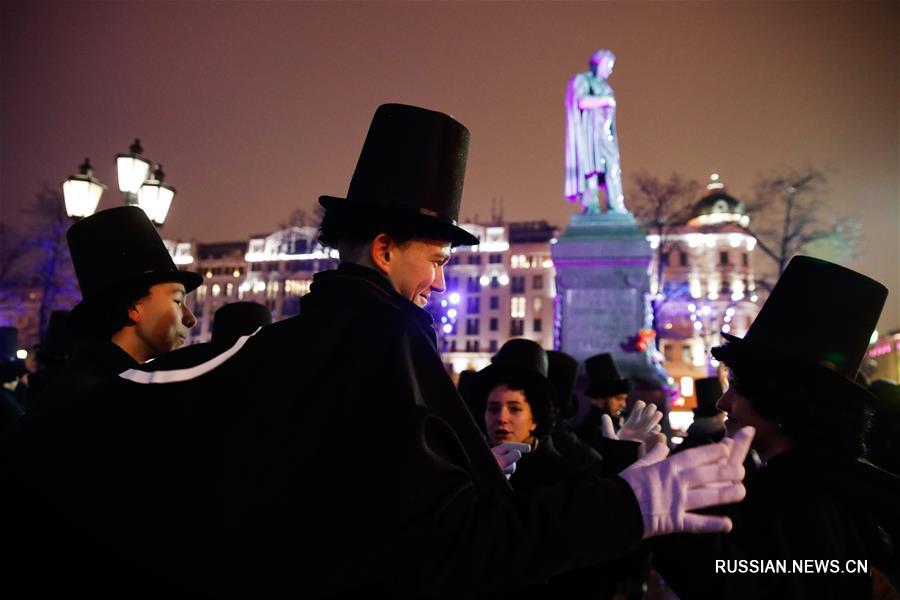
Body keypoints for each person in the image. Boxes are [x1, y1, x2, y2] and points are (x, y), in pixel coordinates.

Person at [6, 104, 752, 598]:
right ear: (386, 248)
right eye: (434, 255)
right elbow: (447, 551)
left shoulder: (307, 339)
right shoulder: (382, 338)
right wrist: (625, 506)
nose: (439, 278)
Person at [654, 256, 900, 599]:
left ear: (782, 398)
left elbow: (757, 583)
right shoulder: (833, 482)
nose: (723, 403)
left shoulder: (802, 496)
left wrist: (673, 524)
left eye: (737, 386)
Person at [565, 48, 625, 214]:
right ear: (598, 63)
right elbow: (580, 101)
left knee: (612, 168)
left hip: (605, 134)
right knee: (590, 168)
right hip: (589, 134)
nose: (610, 70)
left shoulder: (604, 85)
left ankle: (616, 206)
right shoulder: (583, 80)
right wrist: (605, 100)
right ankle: (591, 206)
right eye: (608, 65)